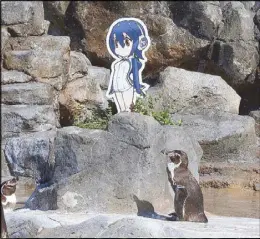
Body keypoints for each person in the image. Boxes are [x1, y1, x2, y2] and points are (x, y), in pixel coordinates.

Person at [106, 18, 151, 113]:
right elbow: (114, 76)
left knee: (128, 108)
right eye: (116, 44)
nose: (120, 48)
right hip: (117, 87)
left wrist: (138, 88)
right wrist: (111, 89)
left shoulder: (133, 61)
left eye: (126, 43)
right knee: (121, 109)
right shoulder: (117, 63)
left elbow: (135, 75)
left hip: (127, 86)